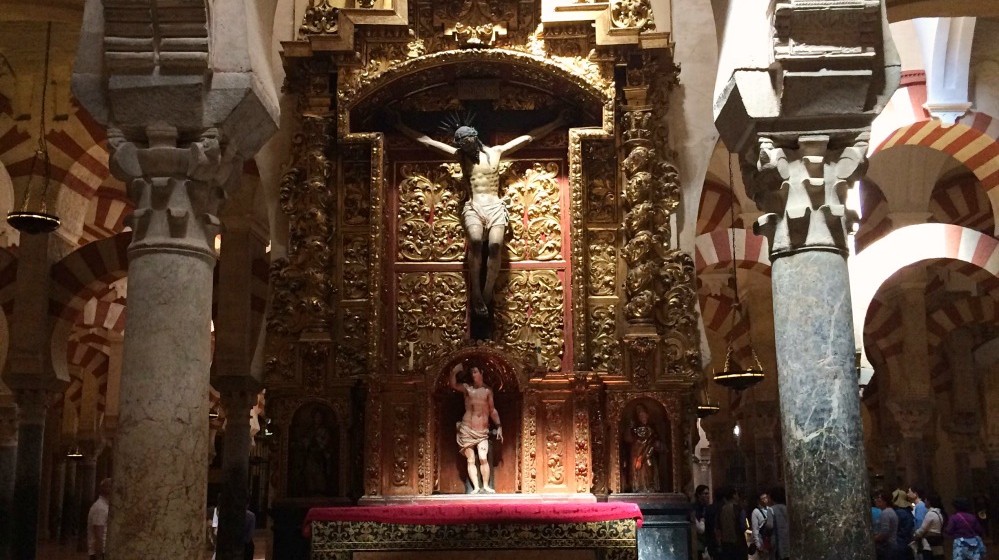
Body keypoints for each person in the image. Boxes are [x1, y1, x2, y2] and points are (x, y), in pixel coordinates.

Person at [392, 110, 570, 316]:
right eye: (461, 145)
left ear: (474, 137)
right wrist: (401, 126)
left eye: (467, 143)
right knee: (476, 241)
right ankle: (476, 291)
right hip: (474, 207)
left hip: (495, 207)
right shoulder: (460, 156)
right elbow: (427, 142)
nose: (465, 147)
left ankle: (487, 291)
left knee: (495, 246)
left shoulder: (497, 152)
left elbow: (529, 138)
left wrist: (557, 121)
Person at [450, 362, 502, 493]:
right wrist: (454, 371)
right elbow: (453, 384)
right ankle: (476, 487)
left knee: (483, 457)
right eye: (471, 373)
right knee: (471, 459)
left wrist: (499, 426)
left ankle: (486, 486)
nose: (473, 375)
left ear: (481, 373)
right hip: (467, 428)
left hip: (482, 430)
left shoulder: (487, 391)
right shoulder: (467, 388)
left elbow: (492, 410)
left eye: (475, 372)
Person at [624, 404, 662, 492]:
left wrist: (648, 451)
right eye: (640, 416)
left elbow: (655, 440)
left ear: (647, 415)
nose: (643, 417)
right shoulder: (635, 429)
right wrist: (630, 428)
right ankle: (638, 487)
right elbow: (629, 439)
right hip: (636, 453)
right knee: (638, 470)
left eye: (644, 415)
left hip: (648, 453)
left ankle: (650, 486)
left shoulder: (652, 428)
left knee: (649, 469)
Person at [716, 486, 748, 560]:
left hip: (725, 544)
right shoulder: (739, 509)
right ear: (733, 495)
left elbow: (718, 527)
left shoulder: (721, 509)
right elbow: (743, 526)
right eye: (737, 494)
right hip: (738, 543)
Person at [912, 493, 945, 560]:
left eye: (926, 500)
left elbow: (922, 530)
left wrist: (914, 535)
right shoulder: (939, 514)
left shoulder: (930, 514)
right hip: (937, 544)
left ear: (929, 502)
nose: (924, 501)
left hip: (928, 544)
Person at [87, 478, 112, 560]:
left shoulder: (105, 506)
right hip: (101, 552)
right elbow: (98, 535)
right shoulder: (100, 508)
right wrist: (99, 556)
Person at [874, 491, 900, 560]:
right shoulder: (891, 511)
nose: (876, 501)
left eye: (879, 500)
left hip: (887, 546)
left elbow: (884, 532)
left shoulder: (885, 513)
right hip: (893, 544)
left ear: (885, 502)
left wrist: (874, 539)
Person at [750, 490, 775, 560]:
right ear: (759, 501)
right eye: (763, 498)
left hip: (769, 539)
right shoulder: (755, 512)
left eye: (766, 497)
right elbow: (755, 529)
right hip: (761, 539)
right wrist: (758, 545)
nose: (765, 500)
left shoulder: (770, 509)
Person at [769, 486, 790, 560]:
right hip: (789, 541)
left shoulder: (771, 509)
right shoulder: (788, 508)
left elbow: (769, 525)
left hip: (777, 542)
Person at [692, 485, 711, 559]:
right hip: (698, 540)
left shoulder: (706, 507)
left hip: (706, 540)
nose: (707, 496)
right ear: (699, 495)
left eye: (708, 493)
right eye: (705, 494)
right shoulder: (695, 508)